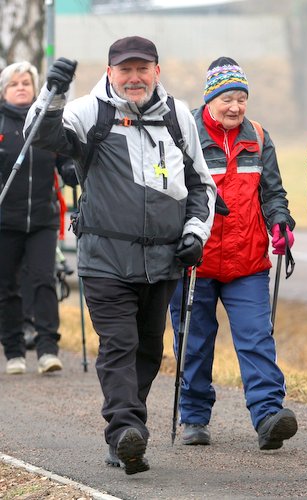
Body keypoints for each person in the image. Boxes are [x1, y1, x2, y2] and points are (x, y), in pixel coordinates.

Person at [24, 36, 216, 474]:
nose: (134, 78)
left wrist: (194, 233)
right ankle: (126, 432)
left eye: (142, 69)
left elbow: (202, 185)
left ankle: (126, 436)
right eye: (125, 70)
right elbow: (42, 136)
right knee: (119, 345)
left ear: (156, 71)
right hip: (105, 259)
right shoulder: (93, 110)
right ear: (110, 73)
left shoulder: (178, 117)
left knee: (148, 349)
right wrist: (52, 94)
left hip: (165, 260)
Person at [169, 56, 298, 451]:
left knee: (257, 338)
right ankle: (193, 417)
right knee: (194, 341)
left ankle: (268, 416)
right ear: (210, 98)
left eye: (241, 98)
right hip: (195, 260)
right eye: (227, 97)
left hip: (248, 260)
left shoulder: (258, 137)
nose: (235, 107)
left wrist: (281, 221)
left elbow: (273, 192)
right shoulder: (183, 131)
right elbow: (169, 190)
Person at [0, 61, 77, 375]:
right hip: (5, 219)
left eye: (26, 83)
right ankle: (14, 351)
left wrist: (71, 169)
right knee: (7, 287)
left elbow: (66, 158)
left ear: (34, 90)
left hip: (43, 218)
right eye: (14, 83)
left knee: (44, 280)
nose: (21, 87)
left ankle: (48, 349)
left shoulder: (47, 121)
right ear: (4, 91)